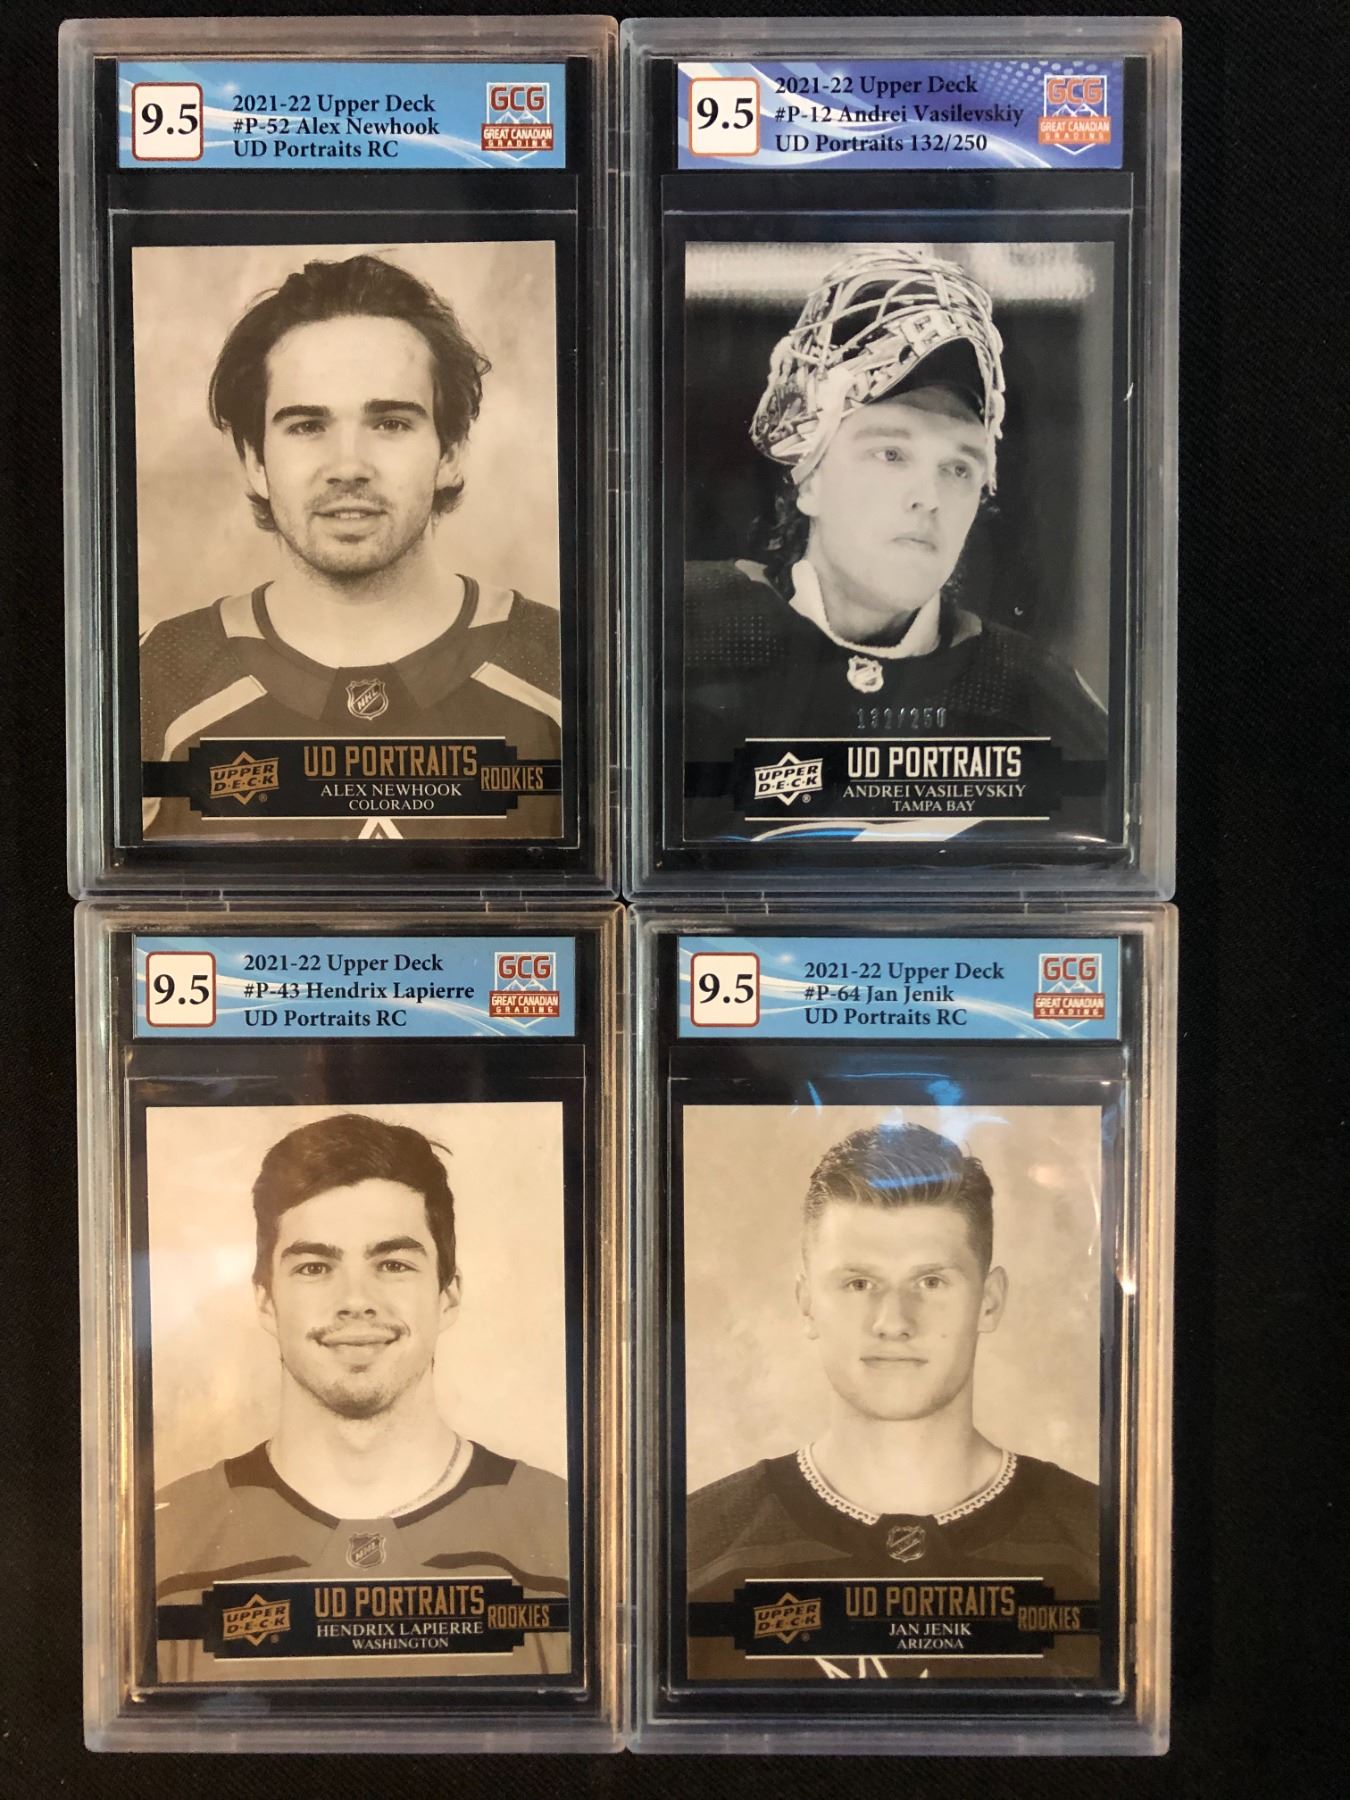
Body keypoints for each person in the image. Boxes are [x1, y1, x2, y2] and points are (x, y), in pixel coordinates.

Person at [139, 253, 561, 840]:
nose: (348, 466)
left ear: (450, 453)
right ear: (256, 462)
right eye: (307, 426)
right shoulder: (154, 677)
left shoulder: (562, 668)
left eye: (390, 423)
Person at [684, 248, 1108, 831]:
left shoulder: (1035, 696)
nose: (928, 496)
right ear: (809, 478)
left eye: (957, 467)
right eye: (891, 453)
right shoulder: (677, 636)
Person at [155, 1113, 569, 1680]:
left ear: (447, 1295)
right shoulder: (161, 1545)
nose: (355, 1300)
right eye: (314, 1266)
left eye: (393, 1264)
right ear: (266, 1302)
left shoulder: (569, 1536)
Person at [686, 1121, 1098, 1680]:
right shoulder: (696, 1549)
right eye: (859, 1283)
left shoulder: (1106, 1547)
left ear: (989, 1302)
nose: (894, 1321)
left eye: (930, 1282)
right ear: (807, 1303)